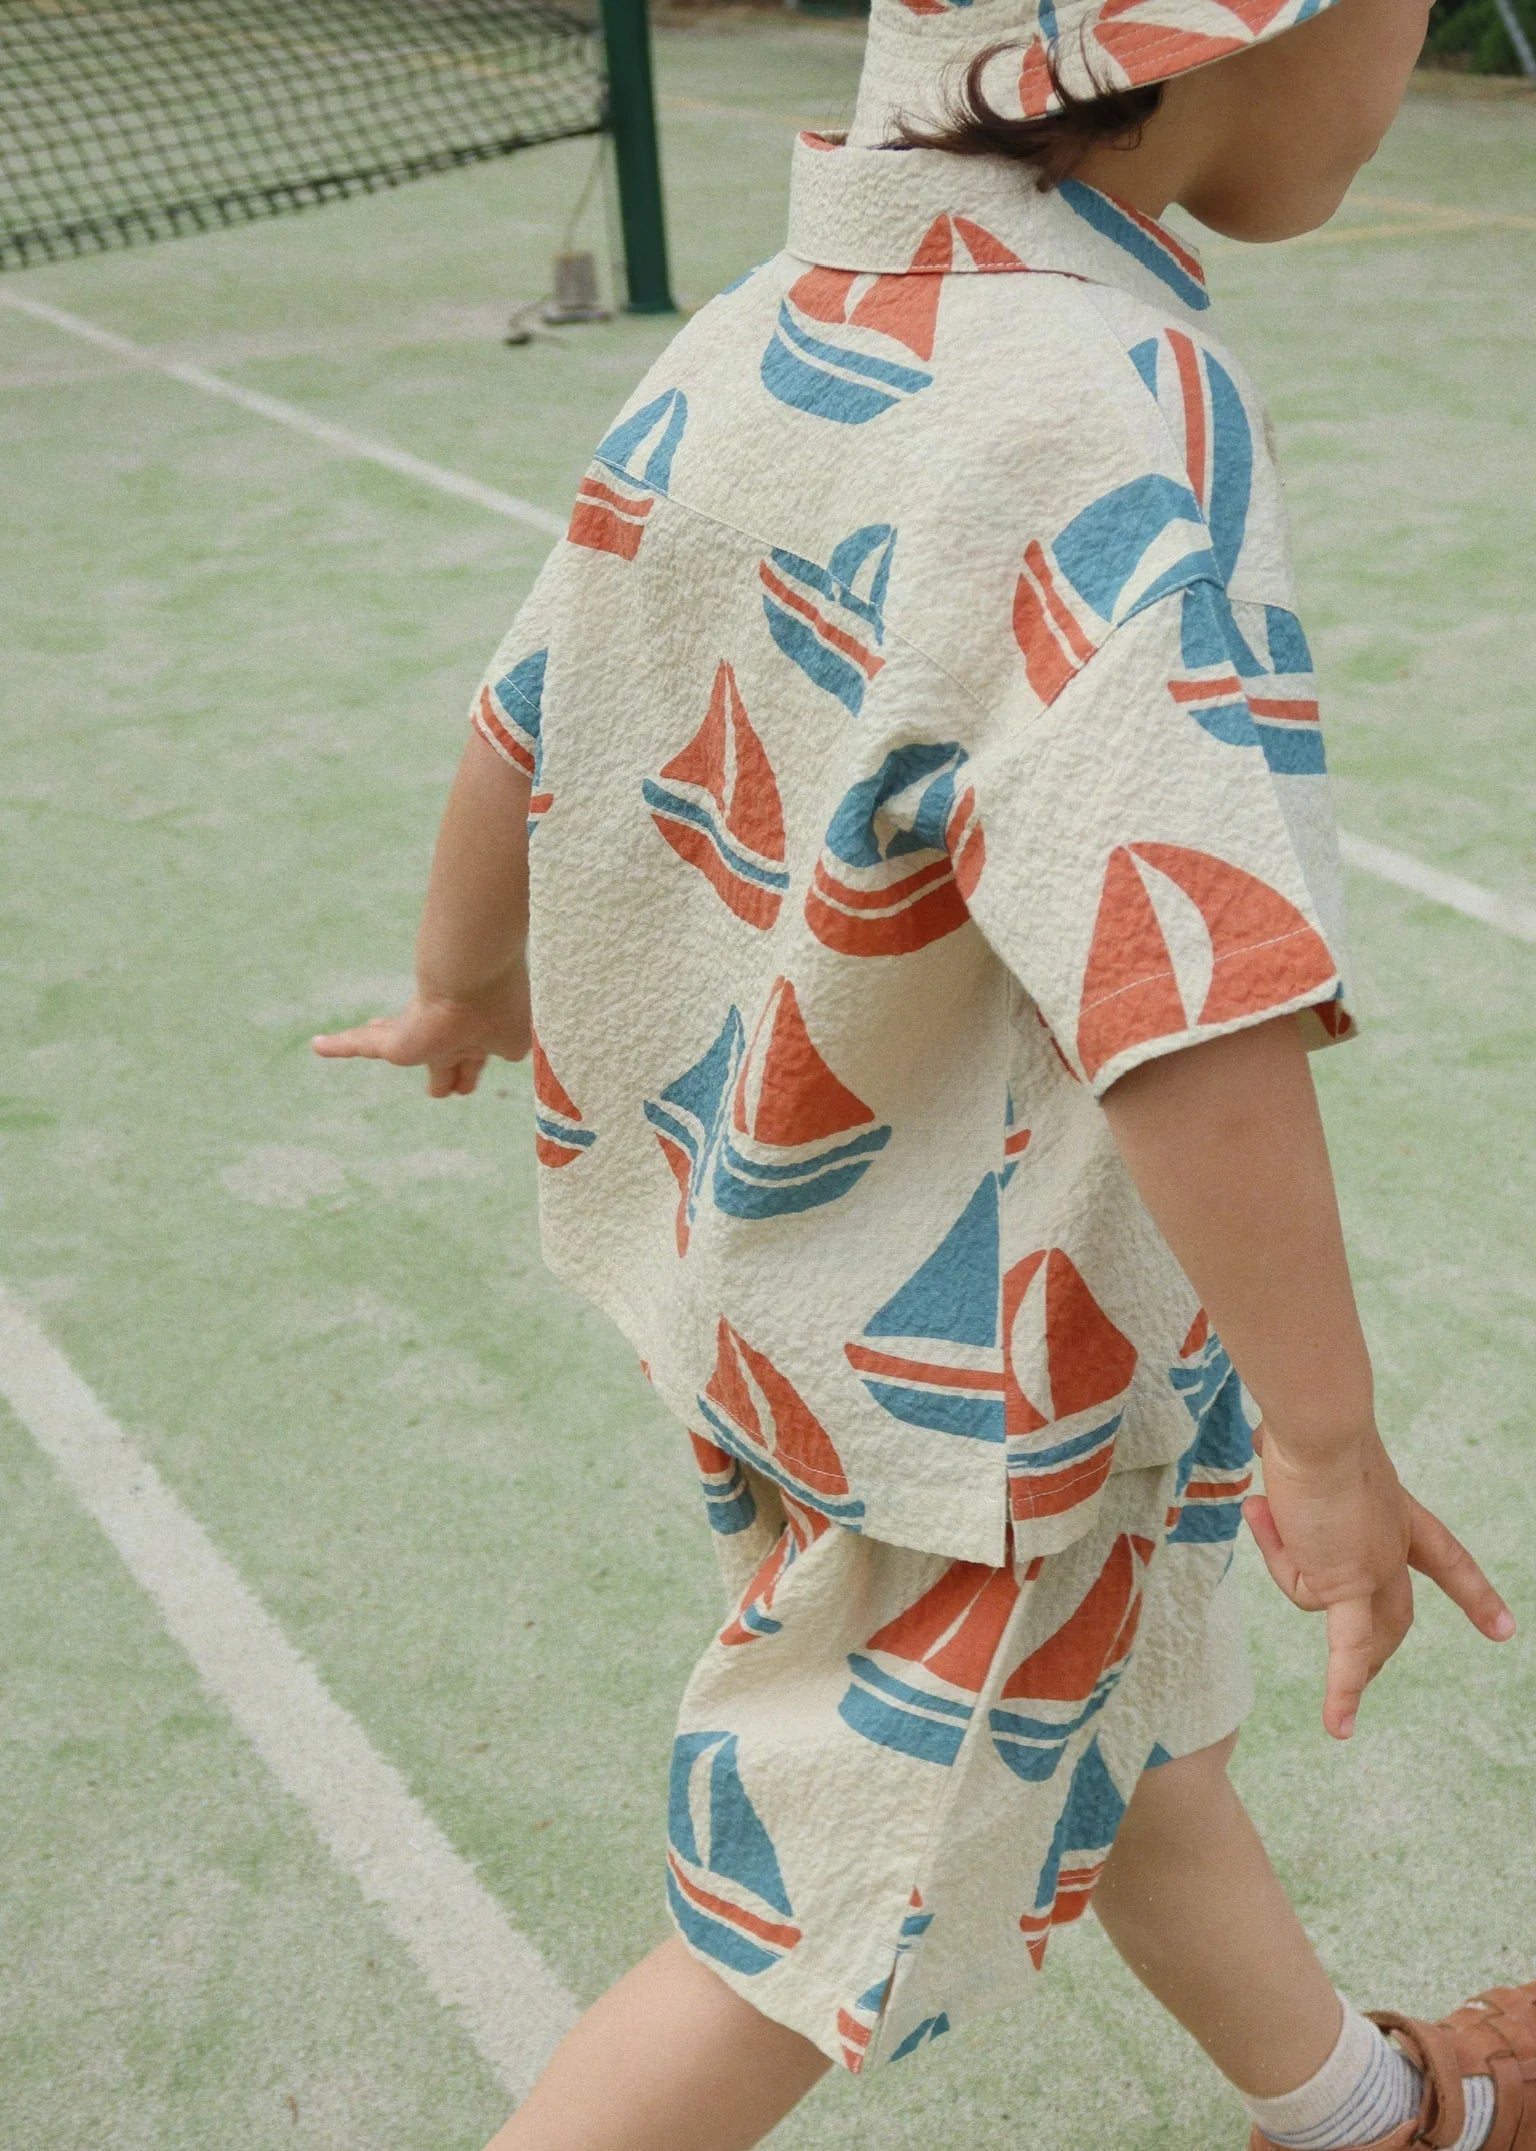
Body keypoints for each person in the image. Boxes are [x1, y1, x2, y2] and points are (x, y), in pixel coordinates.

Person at [313, 1, 1535, 2145]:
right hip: (987, 1373)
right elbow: (1175, 973)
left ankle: (1373, 2114)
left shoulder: (778, 316)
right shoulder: (1116, 397)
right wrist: (1329, 1442)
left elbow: (535, 697)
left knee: (1129, 1725)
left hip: (793, 1289)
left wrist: (461, 974)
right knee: (786, 1933)